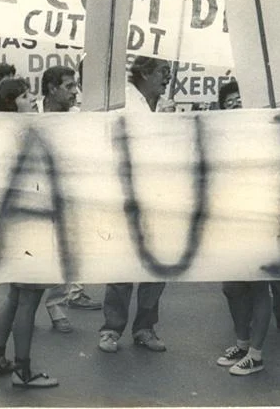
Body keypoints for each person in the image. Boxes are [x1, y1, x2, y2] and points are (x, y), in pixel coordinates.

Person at [0, 77, 58, 387]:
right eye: (26, 96)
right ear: (13, 102)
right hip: (30, 226)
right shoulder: (24, 133)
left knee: (15, 296)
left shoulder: (2, 132)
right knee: (29, 299)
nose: (32, 99)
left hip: (11, 226)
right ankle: (23, 371)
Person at [98, 57, 174, 354]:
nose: (167, 78)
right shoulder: (125, 101)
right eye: (163, 72)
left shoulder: (165, 105)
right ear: (144, 73)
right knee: (122, 264)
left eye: (168, 72)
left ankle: (145, 327)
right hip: (127, 193)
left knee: (156, 266)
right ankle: (111, 329)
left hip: (160, 195)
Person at [37, 66, 103, 334]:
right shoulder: (30, 112)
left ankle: (56, 305)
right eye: (69, 86)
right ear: (52, 88)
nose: (75, 91)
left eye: (75, 85)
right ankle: (21, 308)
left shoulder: (79, 117)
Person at [213, 81, 272, 375]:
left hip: (258, 217)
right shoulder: (220, 137)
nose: (234, 104)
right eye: (229, 101)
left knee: (258, 285)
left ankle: (256, 354)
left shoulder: (262, 134)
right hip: (228, 219)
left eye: (239, 99)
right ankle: (243, 342)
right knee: (232, 286)